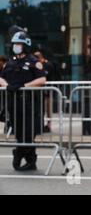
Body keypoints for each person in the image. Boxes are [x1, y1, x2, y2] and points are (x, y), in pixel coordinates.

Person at [0, 30, 46, 171]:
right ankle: (30, 161)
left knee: (28, 132)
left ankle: (19, 153)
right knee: (19, 133)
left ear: (25, 45)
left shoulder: (34, 62)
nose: (16, 46)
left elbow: (42, 79)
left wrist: (24, 86)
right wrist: (6, 86)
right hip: (14, 103)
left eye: (18, 44)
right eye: (14, 44)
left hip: (29, 103)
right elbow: (1, 77)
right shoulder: (10, 62)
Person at [34, 51, 56, 133]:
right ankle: (40, 124)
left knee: (48, 108)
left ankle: (49, 125)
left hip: (48, 90)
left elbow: (47, 77)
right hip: (39, 91)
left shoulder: (48, 65)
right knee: (40, 108)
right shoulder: (37, 65)